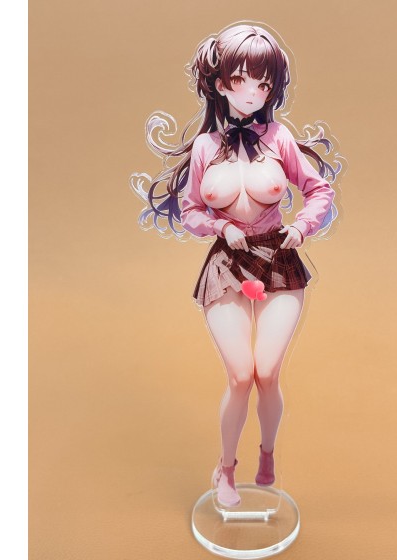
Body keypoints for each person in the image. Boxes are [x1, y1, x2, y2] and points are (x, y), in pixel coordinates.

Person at [131, 22, 341, 508]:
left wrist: (302, 226)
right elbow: (189, 210)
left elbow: (320, 190)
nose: (252, 92)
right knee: (241, 375)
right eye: (242, 79)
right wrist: (219, 227)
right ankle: (226, 468)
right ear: (219, 82)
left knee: (267, 372)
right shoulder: (206, 148)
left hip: (278, 261)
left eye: (264, 83)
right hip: (227, 265)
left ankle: (267, 453)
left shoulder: (279, 137)